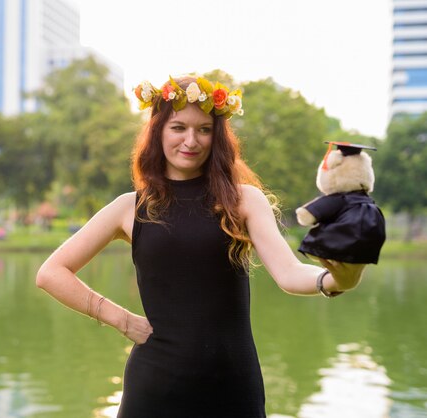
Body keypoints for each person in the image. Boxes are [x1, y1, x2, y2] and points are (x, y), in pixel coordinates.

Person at [36, 75, 365, 417]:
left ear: (217, 136)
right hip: (154, 389)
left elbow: (289, 273)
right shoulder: (128, 208)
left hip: (232, 388)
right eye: (178, 127)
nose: (191, 140)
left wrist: (334, 281)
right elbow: (51, 273)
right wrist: (120, 319)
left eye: (204, 129)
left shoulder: (244, 201)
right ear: (158, 131)